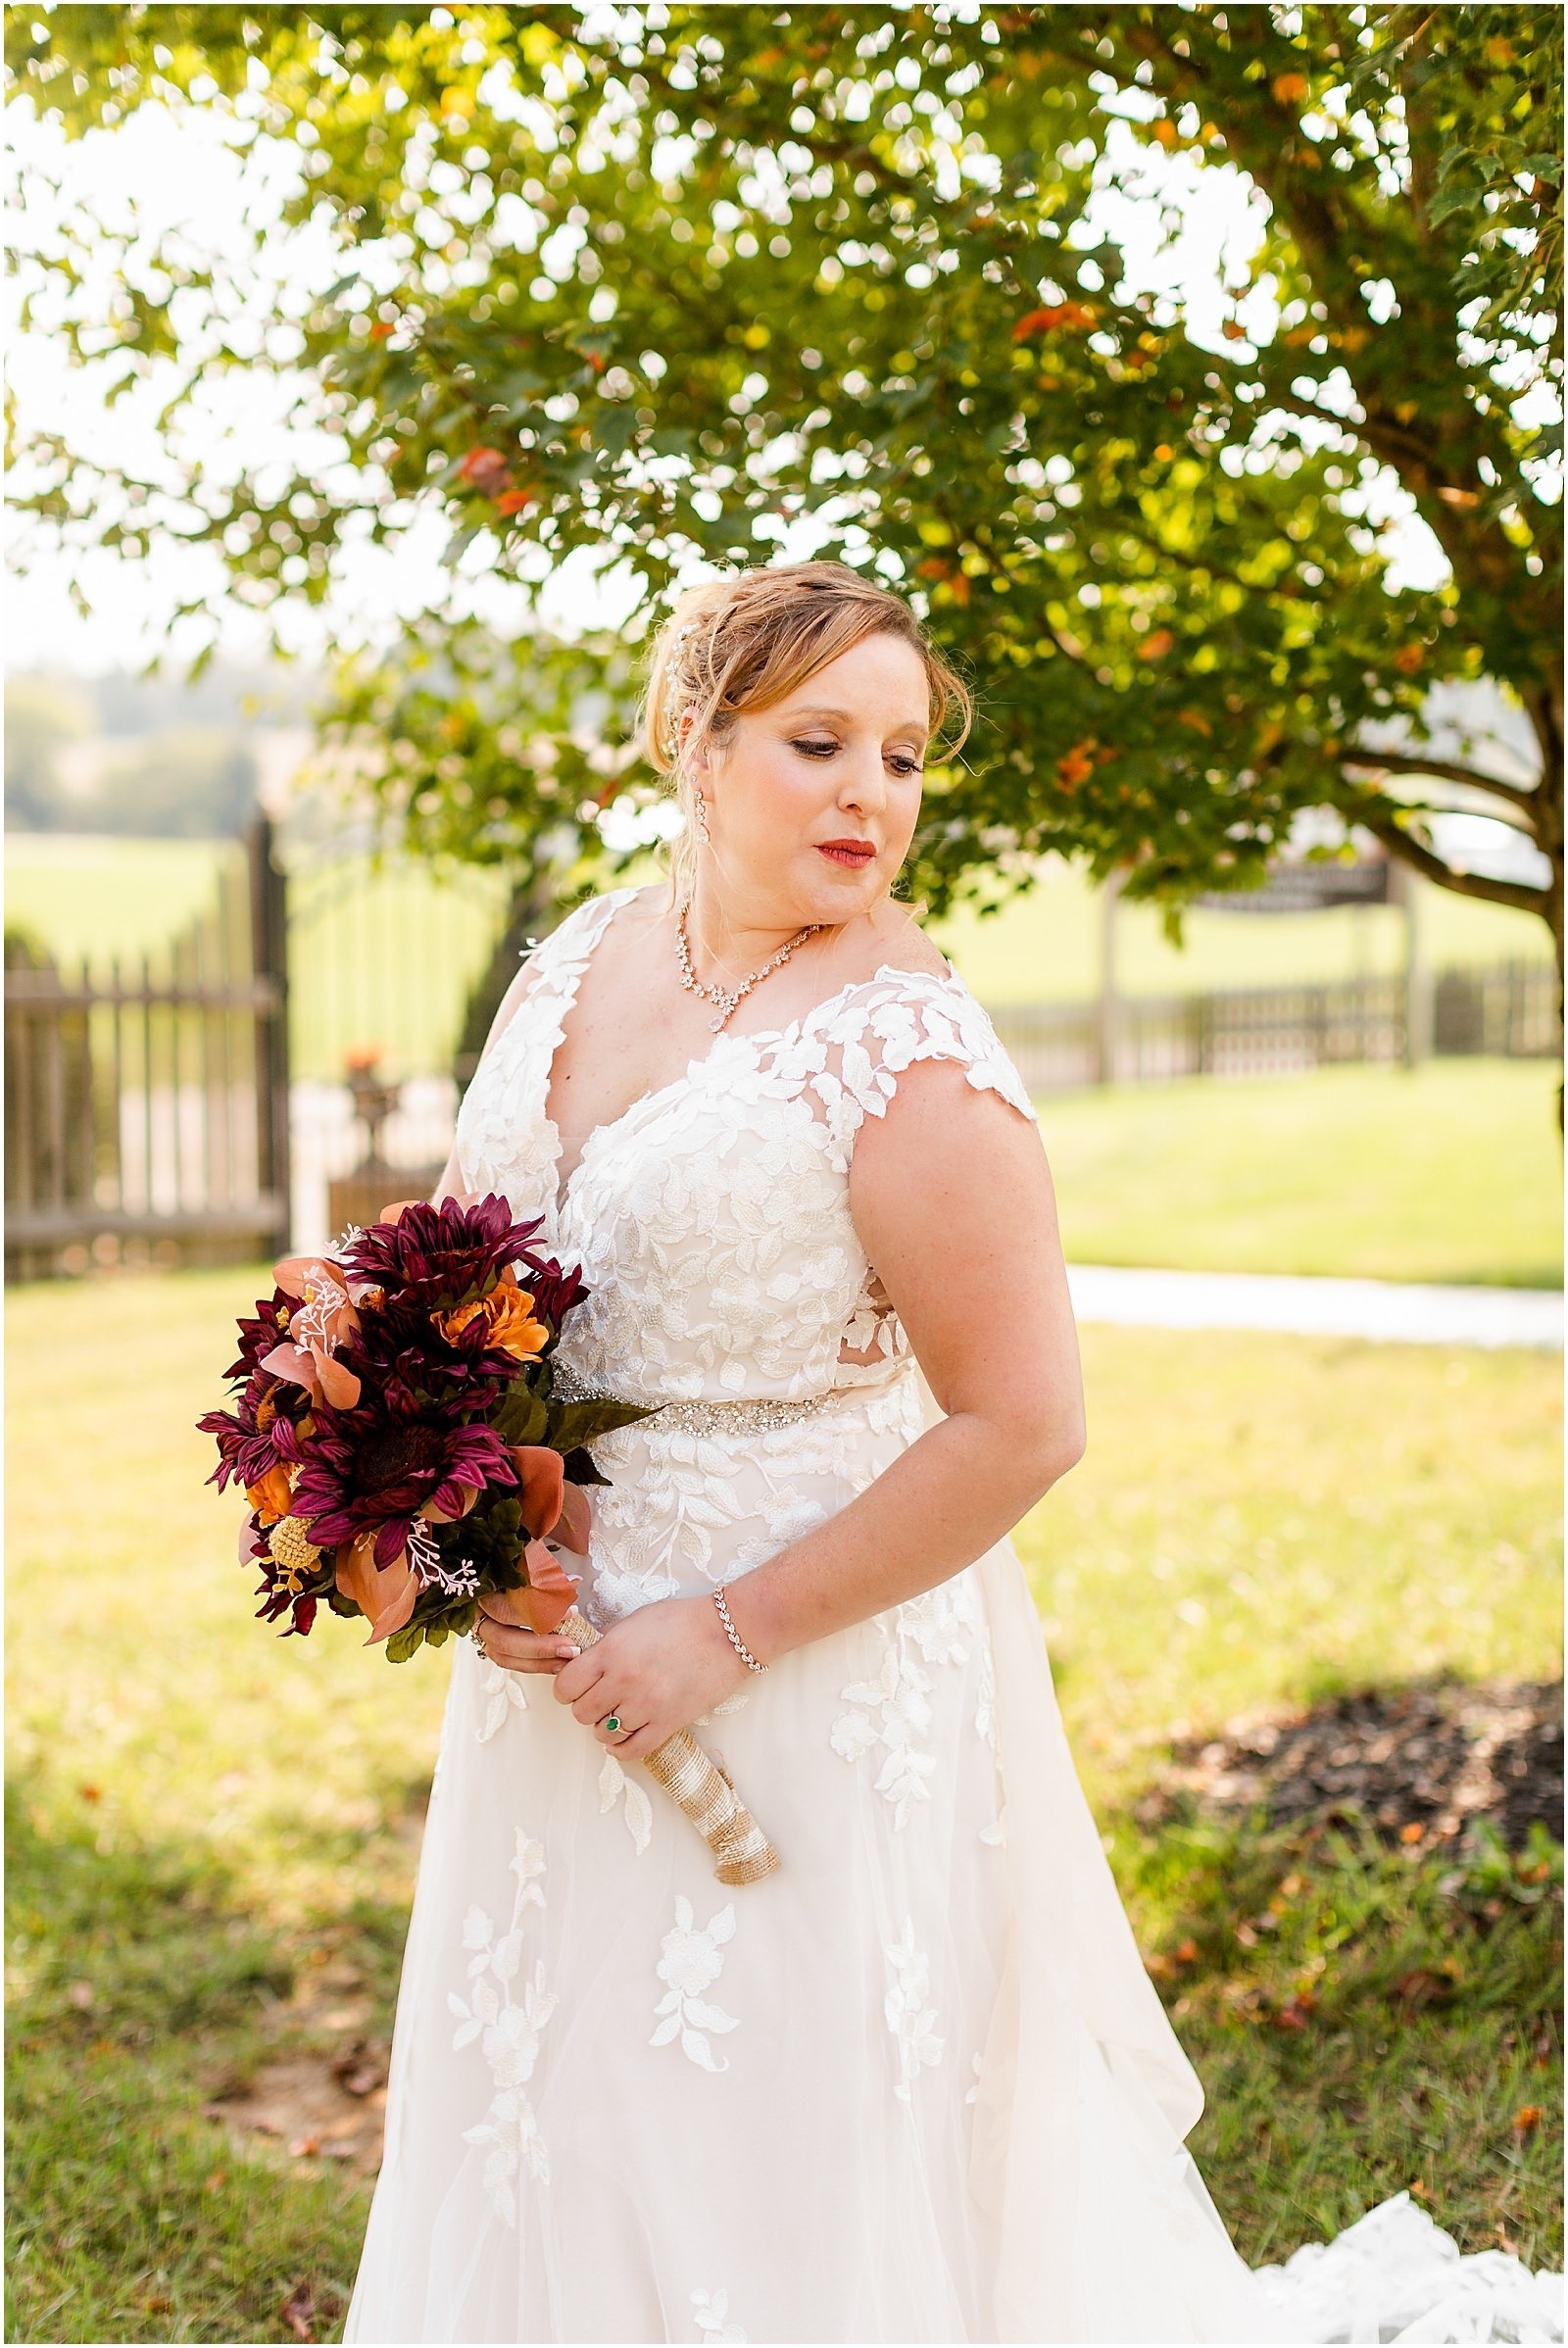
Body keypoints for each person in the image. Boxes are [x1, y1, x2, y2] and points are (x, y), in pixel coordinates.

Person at [345, 563, 1557, 2347]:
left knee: (767, 2145)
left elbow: (1026, 1422)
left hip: (809, 1665)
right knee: (552, 2112)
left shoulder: (904, 1043)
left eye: (905, 758)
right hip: (561, 1656)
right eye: (820, 742)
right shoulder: (568, 969)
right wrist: (473, 1562)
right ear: (693, 738)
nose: (871, 795)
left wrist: (726, 1631)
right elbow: (470, 1305)